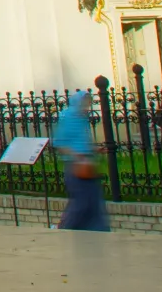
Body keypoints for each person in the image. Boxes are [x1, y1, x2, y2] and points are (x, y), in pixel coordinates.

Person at [50, 89, 109, 231]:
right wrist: (77, 156)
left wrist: (94, 150)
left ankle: (98, 231)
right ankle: (63, 227)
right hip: (75, 167)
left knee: (93, 201)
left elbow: (81, 142)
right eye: (85, 103)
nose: (87, 107)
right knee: (81, 202)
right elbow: (59, 143)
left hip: (87, 165)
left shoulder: (82, 119)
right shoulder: (69, 117)